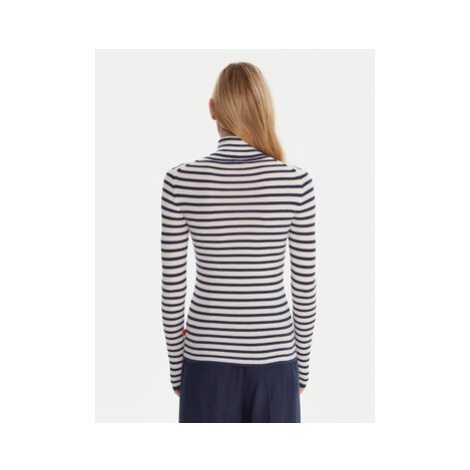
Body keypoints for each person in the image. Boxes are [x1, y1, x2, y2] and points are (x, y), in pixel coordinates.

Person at [161, 62, 316, 423]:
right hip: (275, 361)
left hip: (205, 361)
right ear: (264, 109)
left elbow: (172, 291)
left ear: (212, 109)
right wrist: (302, 368)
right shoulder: (296, 183)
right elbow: (304, 290)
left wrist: (178, 370)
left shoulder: (180, 181)